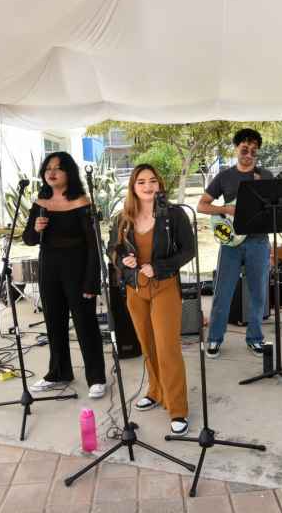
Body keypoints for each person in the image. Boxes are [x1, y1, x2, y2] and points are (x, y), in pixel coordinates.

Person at [108, 164, 195, 436]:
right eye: (141, 182)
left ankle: (177, 408)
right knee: (147, 345)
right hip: (136, 289)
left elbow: (189, 250)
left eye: (153, 181)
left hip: (164, 286)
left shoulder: (174, 215)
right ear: (133, 187)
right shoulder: (124, 218)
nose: (148, 186)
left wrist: (159, 266)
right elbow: (112, 249)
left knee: (167, 348)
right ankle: (156, 391)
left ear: (160, 185)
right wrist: (123, 259)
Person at [22, 152, 107, 399]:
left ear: (69, 172)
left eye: (57, 168)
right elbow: (29, 239)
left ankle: (96, 377)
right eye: (48, 168)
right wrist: (36, 229)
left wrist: (92, 281)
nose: (51, 172)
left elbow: (94, 246)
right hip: (49, 267)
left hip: (78, 268)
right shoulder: (40, 203)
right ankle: (59, 372)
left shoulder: (82, 203)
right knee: (54, 321)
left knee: (85, 323)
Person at [198, 128, 272, 358]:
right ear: (236, 149)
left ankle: (255, 338)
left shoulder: (266, 176)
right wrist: (226, 209)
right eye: (244, 149)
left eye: (253, 151)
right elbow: (202, 205)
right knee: (223, 292)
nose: (248, 154)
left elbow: (275, 206)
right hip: (231, 243)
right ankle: (214, 338)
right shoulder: (225, 177)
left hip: (258, 241)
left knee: (258, 294)